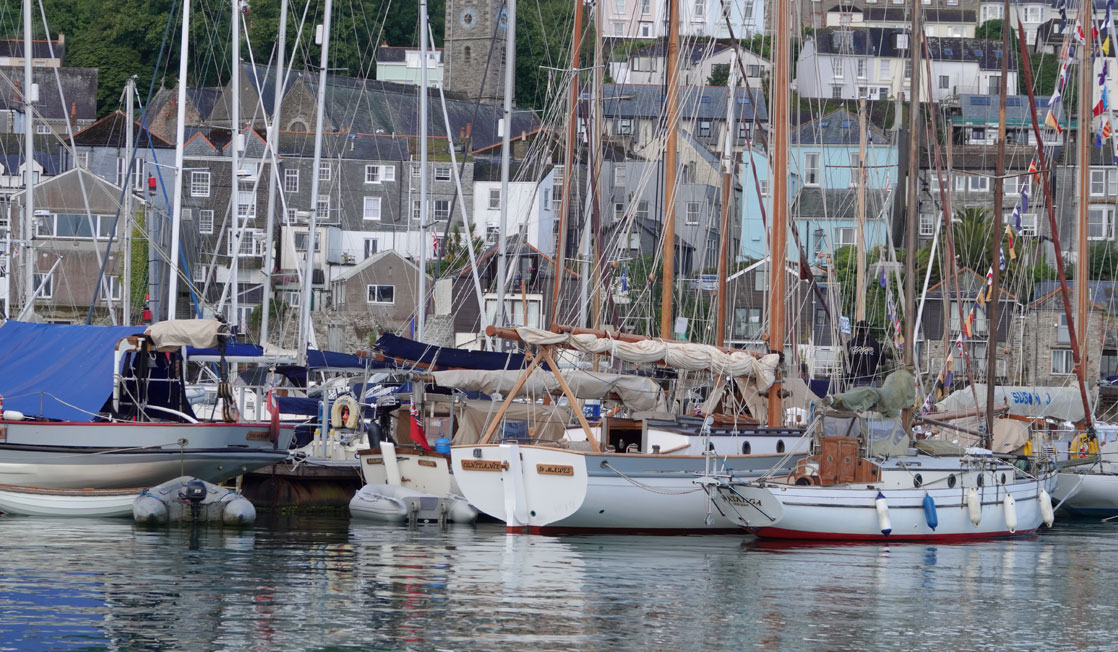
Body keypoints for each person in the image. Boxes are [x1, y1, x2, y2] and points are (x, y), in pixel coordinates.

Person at [845, 321, 883, 387]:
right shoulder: (876, 344)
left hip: (856, 379)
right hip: (871, 379)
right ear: (868, 329)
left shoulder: (850, 344)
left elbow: (846, 361)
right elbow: (882, 362)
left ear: (857, 330)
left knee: (857, 397)